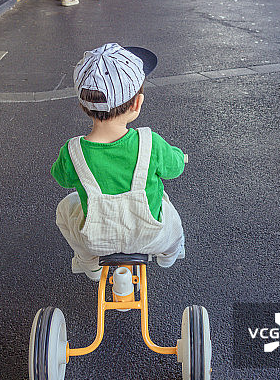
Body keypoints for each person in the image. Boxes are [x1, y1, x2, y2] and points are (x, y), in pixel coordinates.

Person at [51, 43, 186, 280]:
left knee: (65, 209)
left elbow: (60, 178)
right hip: (150, 238)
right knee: (171, 215)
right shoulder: (150, 143)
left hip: (97, 241)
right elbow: (175, 169)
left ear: (83, 105)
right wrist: (178, 155)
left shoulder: (73, 151)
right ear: (137, 103)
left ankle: (89, 262)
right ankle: (169, 254)